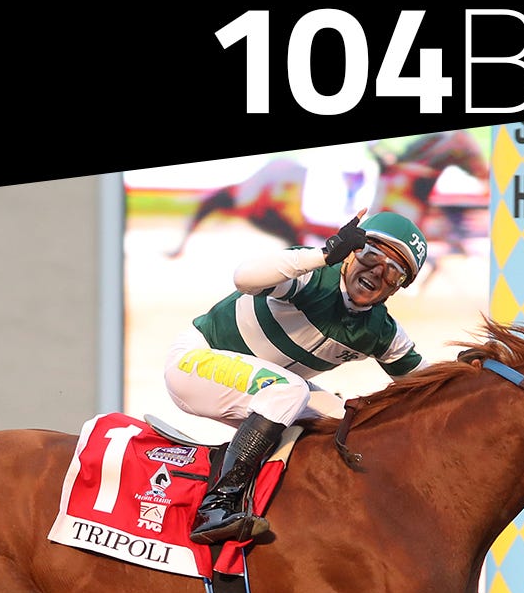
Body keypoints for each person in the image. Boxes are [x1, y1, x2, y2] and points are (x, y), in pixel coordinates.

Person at [164, 209, 430, 545]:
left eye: (394, 272)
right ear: (351, 252)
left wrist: (472, 375)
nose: (378, 272)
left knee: (348, 425)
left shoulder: (381, 330)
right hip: (194, 363)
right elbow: (244, 278)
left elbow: (428, 387)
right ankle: (215, 507)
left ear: (397, 288)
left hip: (265, 392)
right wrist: (323, 254)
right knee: (289, 390)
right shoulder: (313, 275)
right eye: (371, 255)